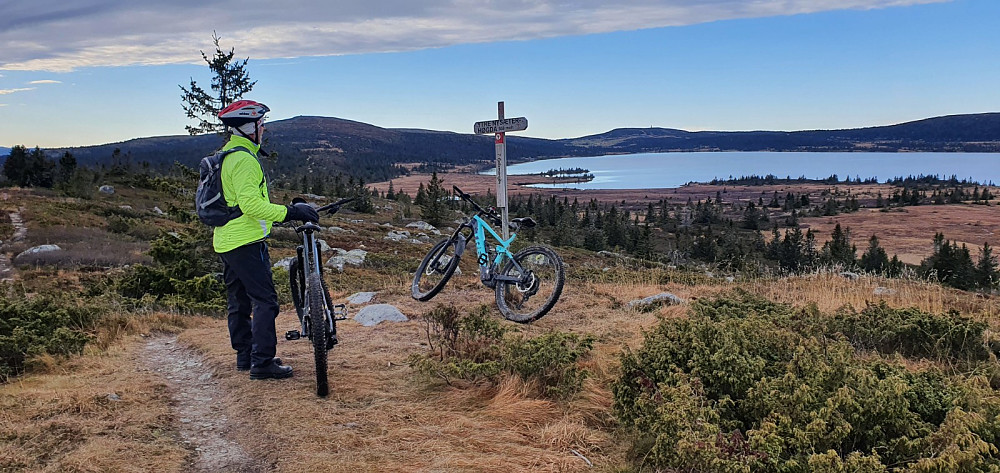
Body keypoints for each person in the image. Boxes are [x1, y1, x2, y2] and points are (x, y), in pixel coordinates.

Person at [214, 100, 319, 380]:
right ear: (249, 128)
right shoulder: (245, 161)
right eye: (261, 125)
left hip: (226, 241)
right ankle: (262, 362)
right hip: (246, 241)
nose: (264, 129)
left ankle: (245, 356)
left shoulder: (227, 155)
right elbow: (251, 206)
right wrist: (291, 212)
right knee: (266, 301)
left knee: (238, 301)